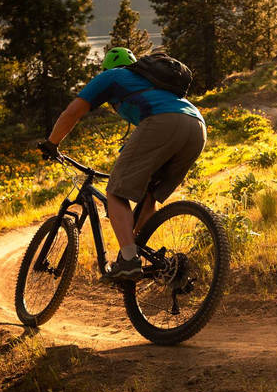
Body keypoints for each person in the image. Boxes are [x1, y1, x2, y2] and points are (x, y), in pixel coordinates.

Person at [39, 47, 206, 280]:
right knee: (149, 195)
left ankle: (128, 260)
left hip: (164, 122)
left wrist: (52, 144)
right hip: (197, 127)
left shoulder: (112, 76)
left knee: (116, 193)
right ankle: (140, 256)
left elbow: (72, 112)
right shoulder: (150, 82)